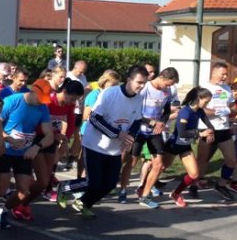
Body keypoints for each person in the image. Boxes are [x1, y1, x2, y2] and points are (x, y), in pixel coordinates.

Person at [57, 66, 148, 218]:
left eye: (144, 83)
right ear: (129, 79)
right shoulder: (110, 93)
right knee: (94, 182)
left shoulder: (139, 98)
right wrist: (117, 134)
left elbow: (137, 120)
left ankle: (84, 203)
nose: (142, 86)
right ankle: (65, 187)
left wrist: (130, 136)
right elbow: (94, 118)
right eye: (139, 82)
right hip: (94, 144)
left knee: (110, 183)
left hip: (114, 149)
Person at [0, 80, 53, 228]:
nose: (42, 103)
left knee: (24, 192)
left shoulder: (42, 108)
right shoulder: (12, 101)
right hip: (3, 150)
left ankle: (2, 210)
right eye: (41, 98)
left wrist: (37, 146)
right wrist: (9, 138)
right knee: (0, 189)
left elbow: (49, 134)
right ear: (34, 92)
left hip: (23, 153)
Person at [125, 67, 180, 209]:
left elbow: (167, 111)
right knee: (131, 161)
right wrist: (151, 122)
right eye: (168, 84)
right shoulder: (145, 88)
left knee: (158, 164)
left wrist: (161, 121)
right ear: (161, 77)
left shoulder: (166, 91)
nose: (169, 87)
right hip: (139, 130)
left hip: (154, 132)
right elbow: (134, 111)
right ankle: (122, 189)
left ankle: (145, 194)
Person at [194, 62, 237, 202]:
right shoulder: (203, 88)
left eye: (226, 74)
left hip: (224, 129)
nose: (225, 77)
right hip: (207, 129)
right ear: (214, 73)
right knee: (202, 160)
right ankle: (194, 184)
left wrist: (229, 110)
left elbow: (234, 107)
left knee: (232, 160)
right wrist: (213, 112)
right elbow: (198, 108)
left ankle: (221, 185)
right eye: (223, 74)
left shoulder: (226, 89)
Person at [163, 88, 214, 208]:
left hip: (185, 146)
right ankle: (144, 187)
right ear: (198, 99)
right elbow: (181, 132)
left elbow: (209, 124)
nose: (207, 105)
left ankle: (176, 194)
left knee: (194, 174)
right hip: (174, 145)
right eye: (206, 102)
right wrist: (200, 134)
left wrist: (211, 131)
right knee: (161, 168)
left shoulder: (199, 111)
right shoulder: (185, 112)